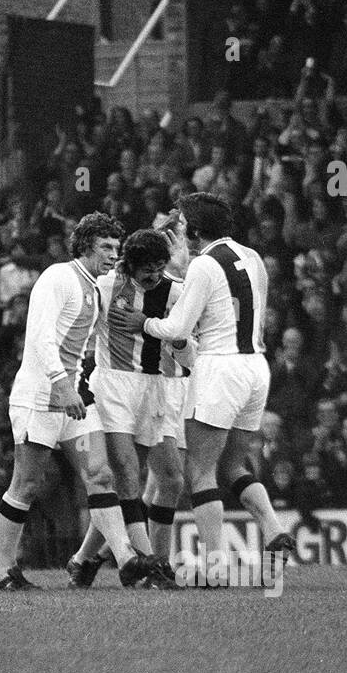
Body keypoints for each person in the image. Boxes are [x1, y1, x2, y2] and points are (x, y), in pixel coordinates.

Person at [111, 193, 294, 584]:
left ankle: (215, 567)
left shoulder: (205, 265)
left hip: (219, 368)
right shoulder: (254, 257)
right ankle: (274, 527)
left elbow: (176, 328)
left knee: (201, 471)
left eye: (183, 226)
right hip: (255, 367)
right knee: (234, 465)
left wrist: (144, 322)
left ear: (194, 230)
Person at [0, 212, 156, 590]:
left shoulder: (97, 287)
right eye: (105, 247)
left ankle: (127, 558)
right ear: (85, 246)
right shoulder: (57, 278)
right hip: (39, 397)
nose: (113, 254)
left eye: (117, 248)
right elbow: (39, 337)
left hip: (75, 399)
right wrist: (61, 385)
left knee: (99, 474)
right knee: (26, 485)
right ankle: (4, 572)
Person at [69, 225, 192, 589]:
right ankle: (151, 565)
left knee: (170, 478)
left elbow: (190, 354)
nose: (154, 275)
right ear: (129, 266)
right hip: (114, 388)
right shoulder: (107, 287)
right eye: (146, 269)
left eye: (160, 267)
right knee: (125, 473)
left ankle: (83, 559)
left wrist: (167, 332)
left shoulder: (177, 294)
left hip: (157, 390)